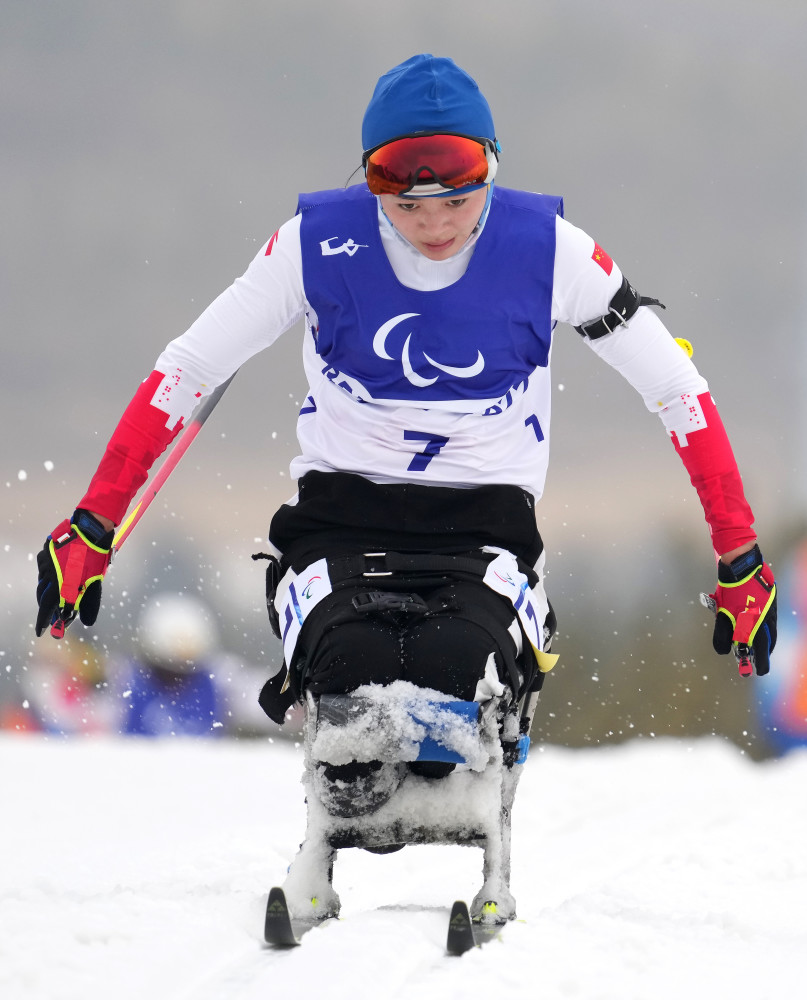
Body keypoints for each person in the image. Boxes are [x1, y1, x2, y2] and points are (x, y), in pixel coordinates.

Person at [35, 52, 776, 849]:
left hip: (482, 521)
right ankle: (351, 797)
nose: (434, 223)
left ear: (492, 169)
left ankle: (456, 778)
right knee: (349, 665)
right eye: (405, 201)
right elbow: (189, 368)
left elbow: (677, 391)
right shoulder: (312, 246)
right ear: (371, 184)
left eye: (457, 197)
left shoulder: (552, 250)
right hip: (341, 513)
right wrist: (92, 524)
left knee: (455, 662)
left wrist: (738, 554)